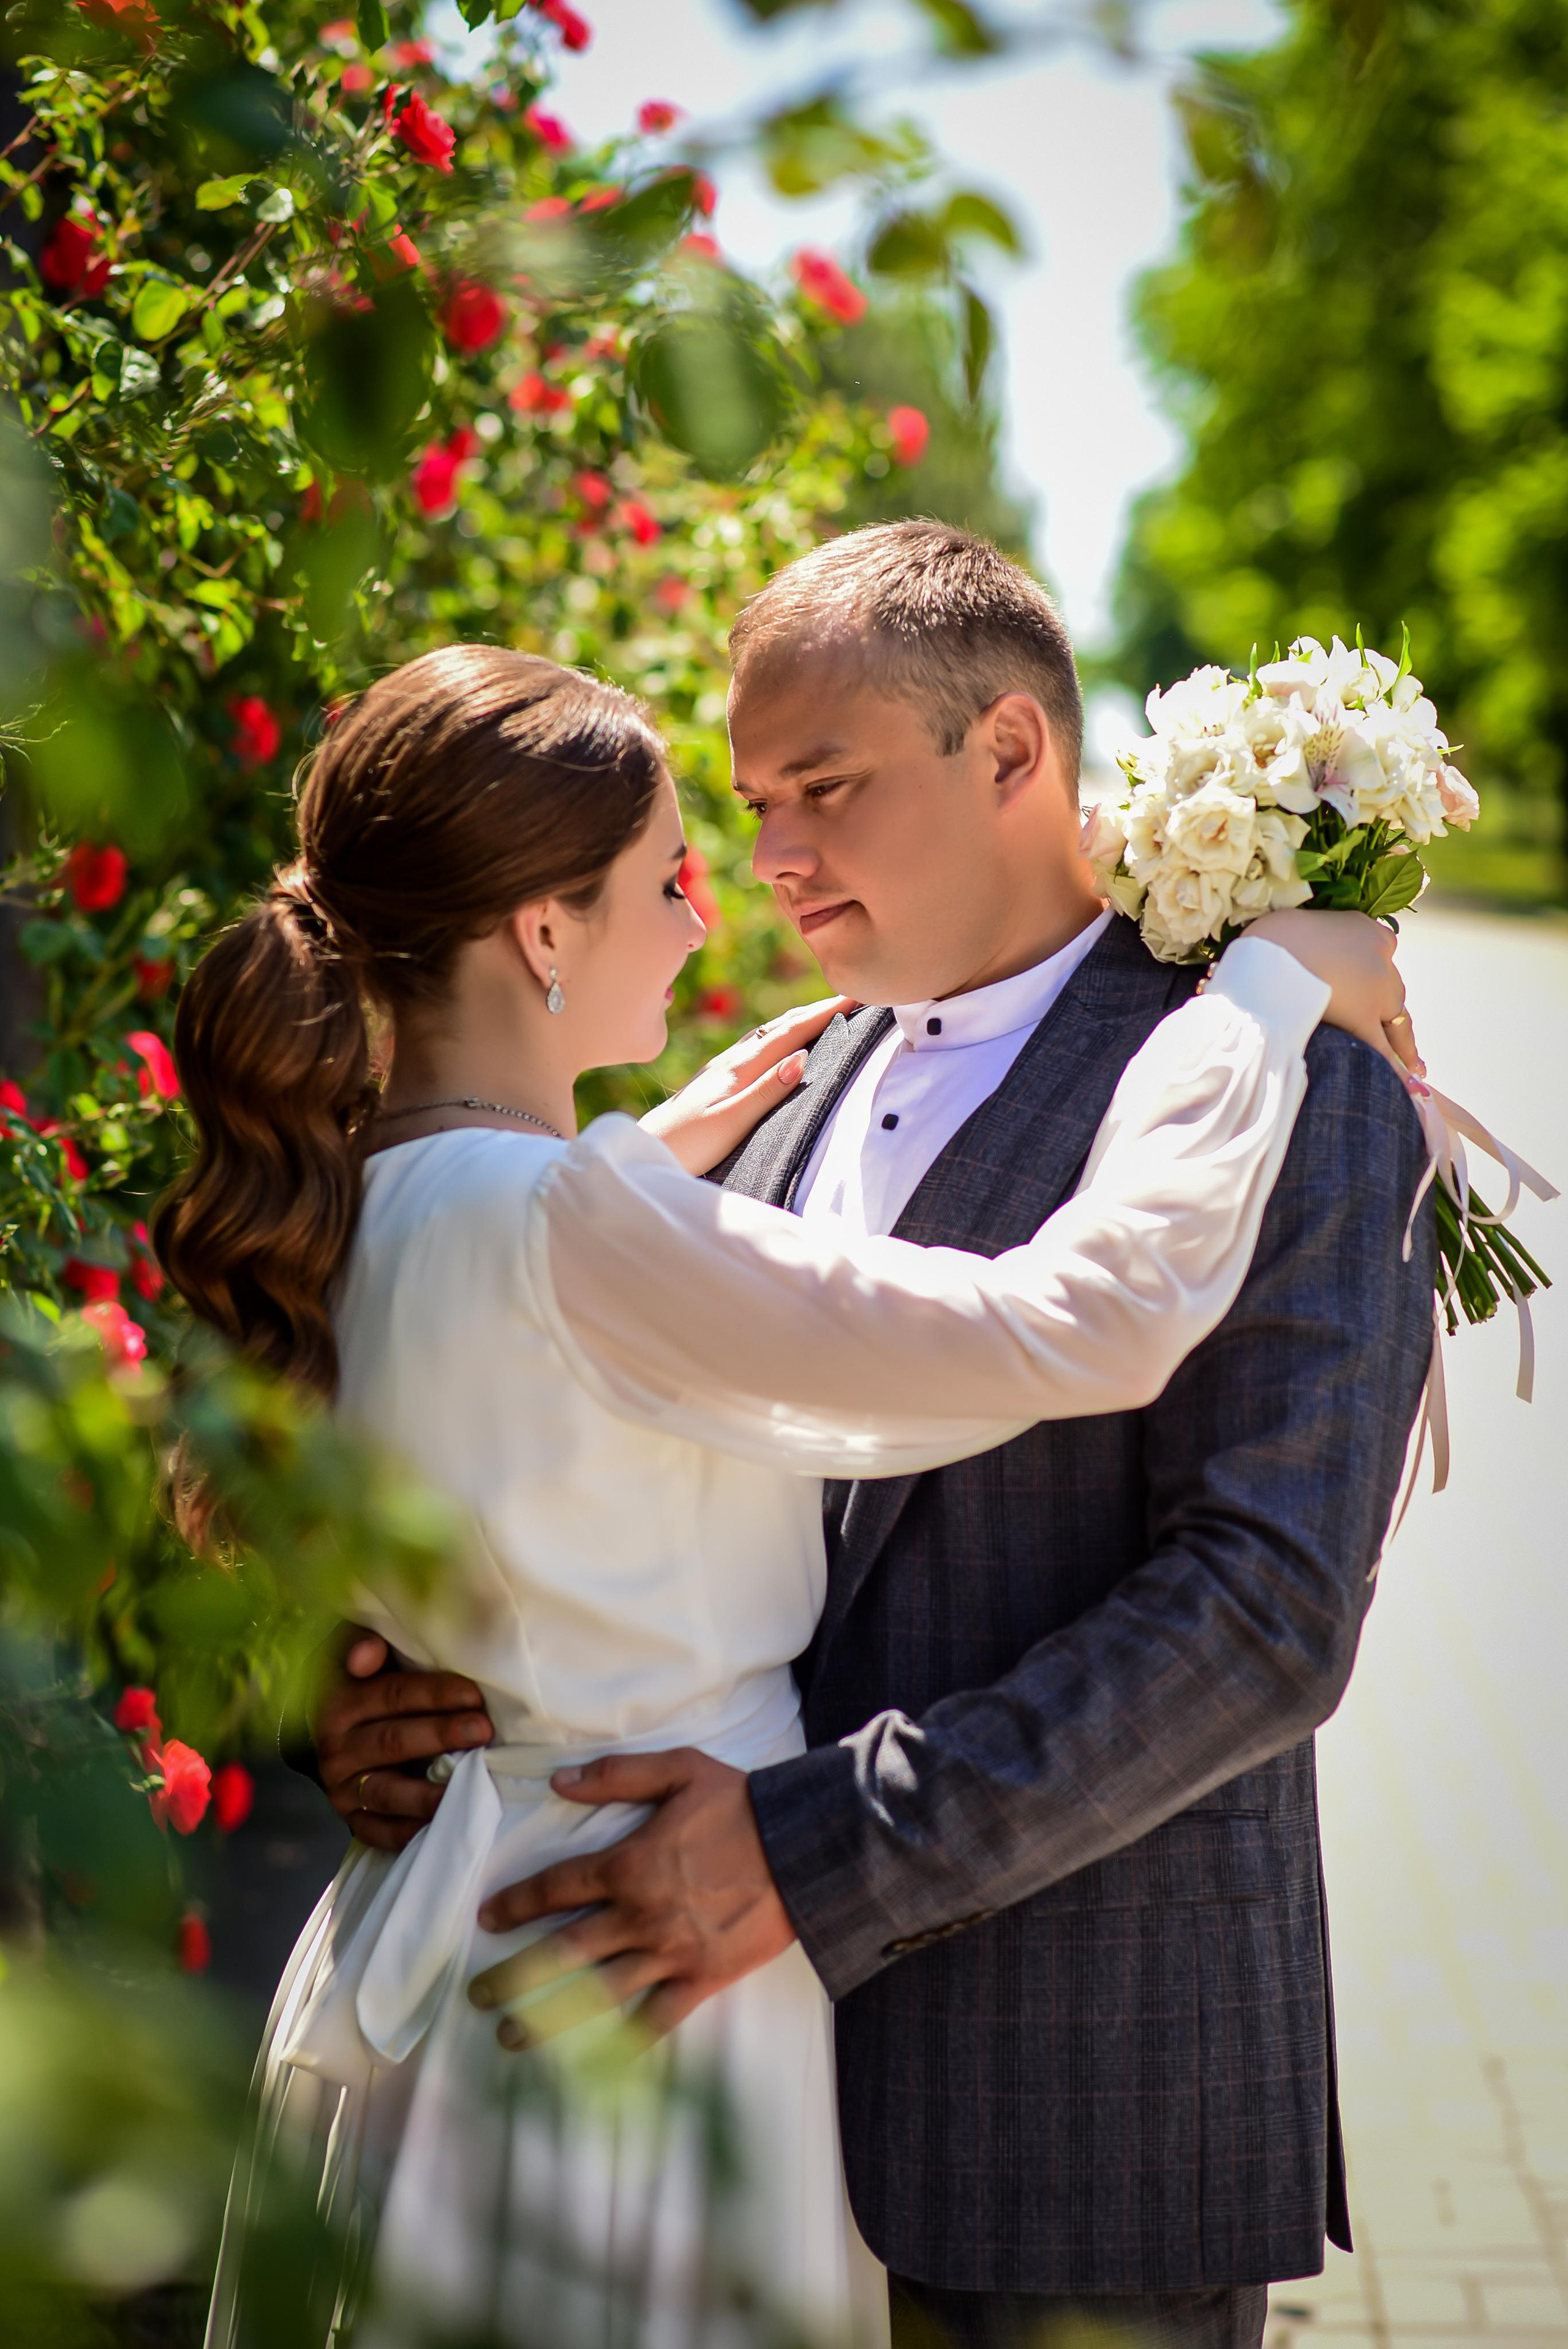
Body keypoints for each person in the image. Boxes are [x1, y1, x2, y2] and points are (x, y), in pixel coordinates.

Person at [324, 531, 1437, 2349]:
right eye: (751, 802)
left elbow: (1265, 1614)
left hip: (1075, 2116)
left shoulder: (1281, 1079)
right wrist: (409, 1715)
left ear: (1011, 753)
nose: (764, 860)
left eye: (820, 789)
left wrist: (812, 1848)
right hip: (691, 2104)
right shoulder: (763, 1102)